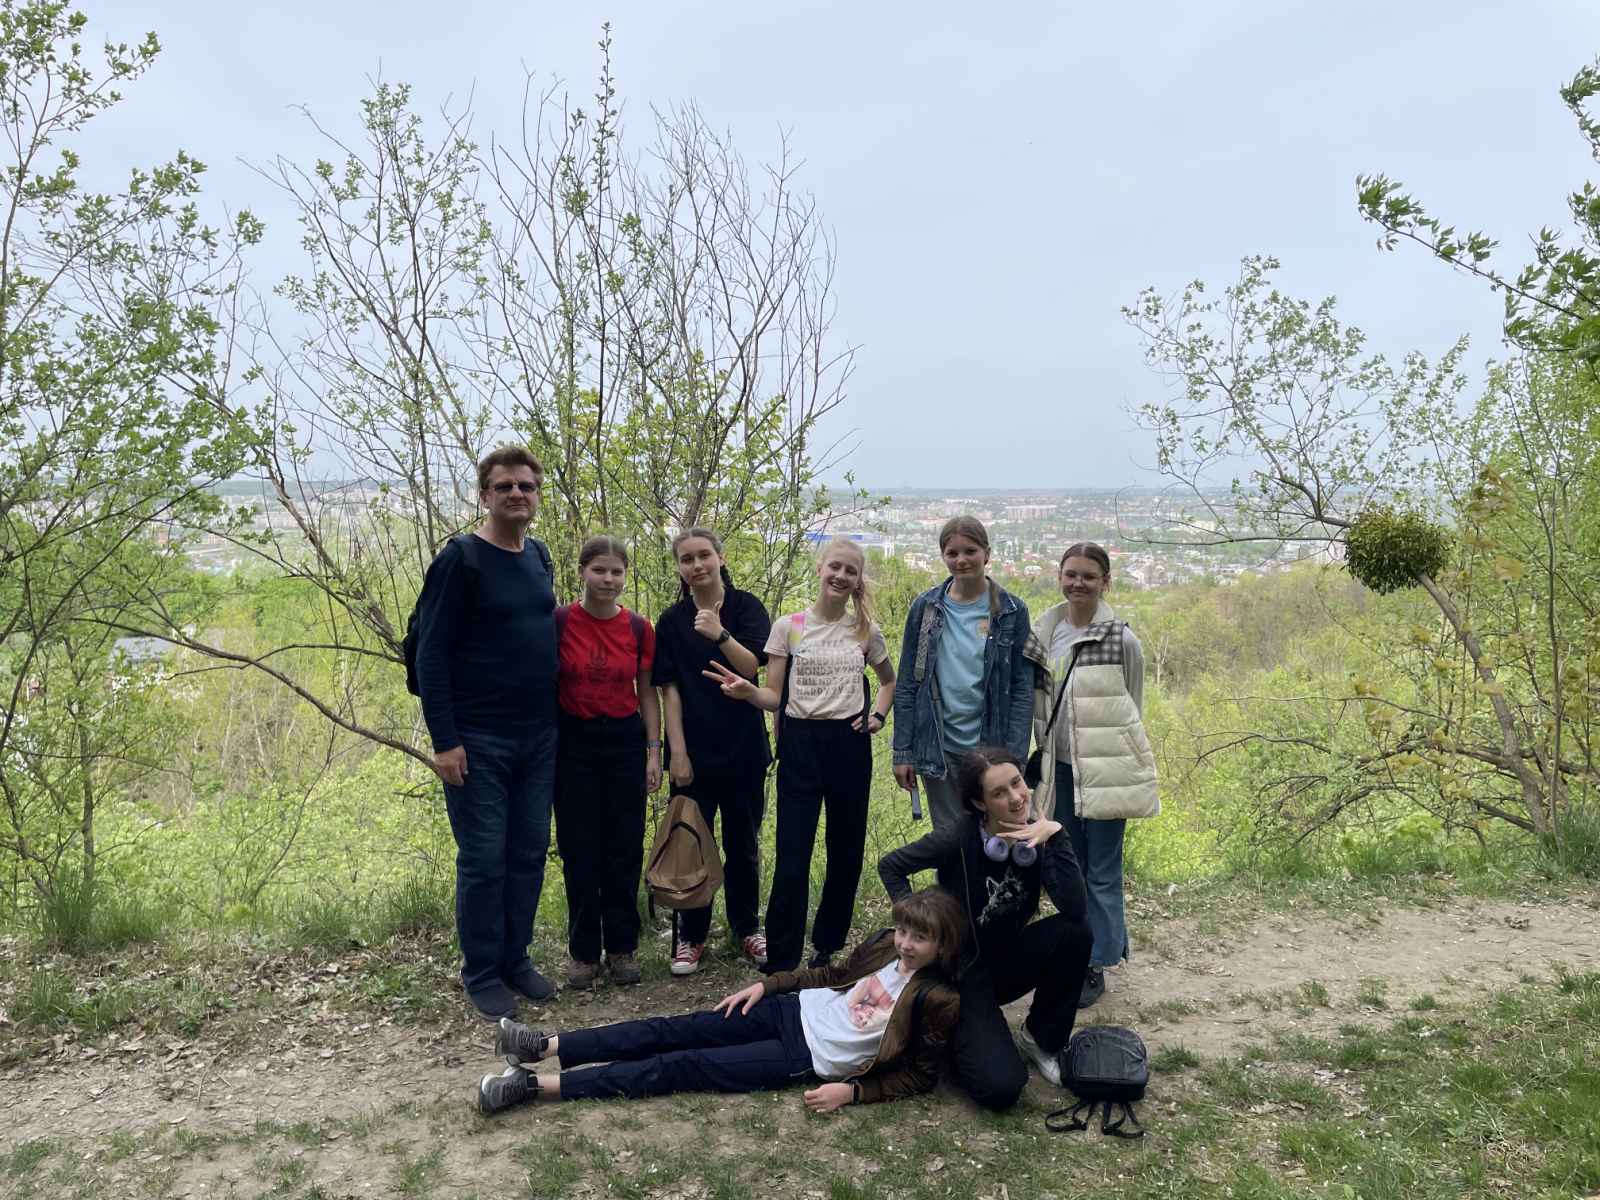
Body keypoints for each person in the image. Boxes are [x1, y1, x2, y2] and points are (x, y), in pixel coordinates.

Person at [475, 888, 964, 1112]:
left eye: (919, 938)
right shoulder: (884, 945)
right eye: (903, 931)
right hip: (792, 1011)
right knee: (670, 1029)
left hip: (803, 1056)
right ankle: (544, 1045)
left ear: (942, 945)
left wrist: (852, 1093)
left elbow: (919, 1075)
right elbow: (831, 974)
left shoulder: (938, 998)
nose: (905, 944)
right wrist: (767, 985)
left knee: (681, 1065)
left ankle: (533, 1087)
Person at [704, 537, 896, 974]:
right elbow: (774, 696)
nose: (840, 576)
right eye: (835, 567)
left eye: (850, 570)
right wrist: (748, 691)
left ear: (858, 580)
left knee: (846, 850)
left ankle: (827, 945)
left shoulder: (865, 631)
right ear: (820, 568)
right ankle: (783, 956)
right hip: (800, 745)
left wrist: (878, 717)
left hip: (849, 746)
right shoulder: (788, 627)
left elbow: (888, 680)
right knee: (792, 855)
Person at [414, 446, 559, 1019]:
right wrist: (445, 740)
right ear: (485, 495)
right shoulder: (461, 560)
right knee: (483, 859)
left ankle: (515, 959)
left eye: (526, 486)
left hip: (539, 736)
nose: (517, 494)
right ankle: (480, 971)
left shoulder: (539, 556)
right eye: (505, 486)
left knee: (528, 852)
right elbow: (430, 654)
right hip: (478, 739)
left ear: (537, 494)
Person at [878, 746, 1092, 1111]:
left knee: (1077, 932)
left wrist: (1057, 835)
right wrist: (918, 924)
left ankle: (1040, 1039)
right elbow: (891, 866)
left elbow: (1075, 908)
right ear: (980, 804)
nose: (1016, 797)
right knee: (1001, 1088)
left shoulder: (1036, 838)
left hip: (1007, 961)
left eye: (1017, 783)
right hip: (962, 974)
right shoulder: (956, 839)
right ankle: (951, 1030)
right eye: (999, 793)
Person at [1024, 541, 1158, 1008]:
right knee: (1072, 866)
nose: (1078, 583)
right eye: (1071, 574)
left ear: (1105, 582)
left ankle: (1096, 963)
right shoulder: (1043, 633)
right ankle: (1079, 949)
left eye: (1088, 575)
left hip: (1106, 768)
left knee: (1102, 868)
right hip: (1058, 767)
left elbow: (1132, 708)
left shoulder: (1122, 640)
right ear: (1059, 576)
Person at [652, 527, 773, 976]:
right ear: (679, 568)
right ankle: (692, 934)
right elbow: (669, 691)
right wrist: (677, 753)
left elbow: (753, 666)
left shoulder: (746, 607)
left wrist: (719, 633)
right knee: (690, 844)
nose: (697, 565)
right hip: (693, 753)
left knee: (743, 844)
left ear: (721, 558)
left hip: (743, 749)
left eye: (704, 555)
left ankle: (747, 927)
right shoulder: (671, 620)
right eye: (687, 559)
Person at [552, 535, 662, 990]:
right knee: (579, 849)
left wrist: (654, 751)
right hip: (572, 741)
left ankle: (622, 947)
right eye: (599, 570)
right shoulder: (559, 621)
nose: (608, 579)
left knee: (624, 847)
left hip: (623, 741)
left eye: (617, 572)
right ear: (581, 571)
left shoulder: (638, 628)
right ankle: (583, 952)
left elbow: (647, 693)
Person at [891, 516, 1034, 829]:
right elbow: (908, 683)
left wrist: (1015, 757)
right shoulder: (926, 609)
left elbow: (1022, 688)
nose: (961, 560)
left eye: (970, 551)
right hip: (939, 746)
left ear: (987, 554)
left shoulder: (1011, 611)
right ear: (943, 556)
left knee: (1000, 834)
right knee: (950, 838)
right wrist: (903, 752)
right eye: (952, 553)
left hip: (992, 748)